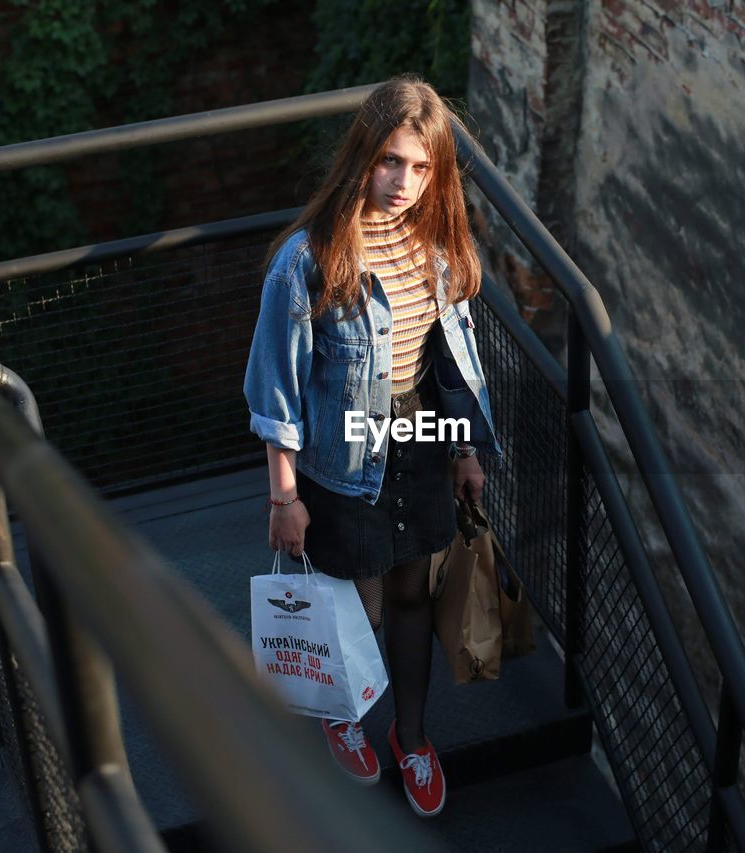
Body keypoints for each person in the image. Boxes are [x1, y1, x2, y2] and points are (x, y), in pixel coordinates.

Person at [243, 75, 500, 819]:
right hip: (343, 457)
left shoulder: (438, 248)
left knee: (413, 593)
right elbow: (276, 395)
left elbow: (449, 365)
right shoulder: (308, 259)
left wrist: (463, 451)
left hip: (416, 438)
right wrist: (284, 496)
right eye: (392, 161)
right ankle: (341, 715)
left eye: (422, 167)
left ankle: (411, 737)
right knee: (352, 603)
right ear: (363, 153)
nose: (406, 183)